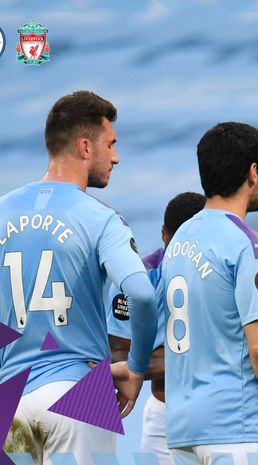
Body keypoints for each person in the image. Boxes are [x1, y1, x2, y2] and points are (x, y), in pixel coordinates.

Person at [0, 90, 159, 463]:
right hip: (79, 392)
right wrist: (136, 368)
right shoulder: (100, 218)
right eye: (111, 144)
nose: (116, 157)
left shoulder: (2, 210)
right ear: (85, 147)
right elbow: (142, 294)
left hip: (12, 401)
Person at [162, 122, 258, 465]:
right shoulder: (247, 244)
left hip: (181, 428)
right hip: (235, 425)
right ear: (253, 172)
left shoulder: (178, 241)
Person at [107, 191, 206, 465]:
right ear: (164, 234)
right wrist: (200, 355)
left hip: (220, 416)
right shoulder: (137, 279)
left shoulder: (223, 274)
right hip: (163, 421)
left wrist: (159, 353)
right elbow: (118, 358)